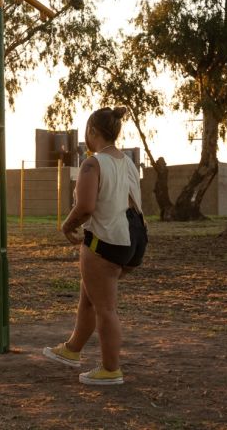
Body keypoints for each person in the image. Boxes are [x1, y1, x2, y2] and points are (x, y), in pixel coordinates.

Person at [43, 106, 147, 386]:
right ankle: (72, 349)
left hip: (107, 240)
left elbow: (86, 207)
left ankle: (111, 369)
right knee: (90, 295)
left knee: (106, 308)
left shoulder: (93, 163)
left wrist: (66, 225)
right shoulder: (127, 161)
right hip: (135, 240)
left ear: (91, 131)